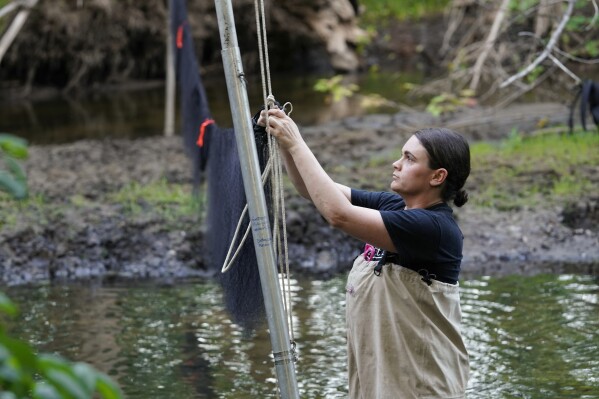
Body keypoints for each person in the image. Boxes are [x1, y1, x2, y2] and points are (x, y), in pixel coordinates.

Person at [258, 108, 470, 399]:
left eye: (409, 158)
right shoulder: (394, 206)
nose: (396, 164)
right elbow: (314, 190)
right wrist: (284, 141)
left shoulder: (433, 228)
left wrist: (297, 143)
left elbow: (338, 214)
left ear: (437, 176)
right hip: (380, 382)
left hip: (422, 387)